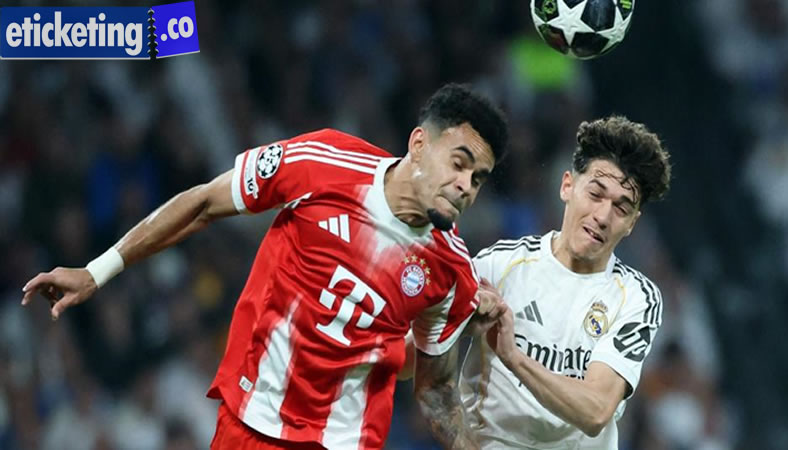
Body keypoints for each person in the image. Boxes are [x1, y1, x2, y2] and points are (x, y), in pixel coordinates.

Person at [21, 83, 509, 450]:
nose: (465, 186)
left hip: (343, 439)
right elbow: (203, 204)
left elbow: (429, 385)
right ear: (419, 144)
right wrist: (97, 271)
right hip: (250, 421)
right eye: (459, 163)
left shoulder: (451, 269)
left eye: (478, 178)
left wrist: (454, 343)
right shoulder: (325, 163)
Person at [461, 116, 672, 449]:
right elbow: (418, 352)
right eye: (596, 194)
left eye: (621, 208)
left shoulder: (636, 298)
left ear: (632, 223)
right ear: (567, 186)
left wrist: (513, 356)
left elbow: (595, 411)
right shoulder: (498, 266)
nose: (602, 216)